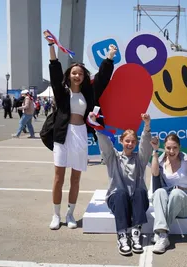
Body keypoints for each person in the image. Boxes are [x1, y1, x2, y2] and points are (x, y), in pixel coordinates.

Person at [44, 33, 116, 230]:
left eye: (81, 73)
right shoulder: (62, 92)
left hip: (80, 134)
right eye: (74, 73)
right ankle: (56, 215)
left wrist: (109, 57)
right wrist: (51, 46)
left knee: (75, 178)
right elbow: (54, 70)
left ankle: (70, 213)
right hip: (62, 136)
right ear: (69, 75)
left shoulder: (88, 94)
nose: (77, 75)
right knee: (58, 177)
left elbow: (102, 79)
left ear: (84, 77)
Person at [89, 112, 153, 256]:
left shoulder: (140, 159)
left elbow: (145, 146)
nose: (130, 144)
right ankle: (122, 235)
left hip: (137, 201)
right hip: (118, 200)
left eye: (133, 142)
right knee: (120, 193)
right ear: (121, 141)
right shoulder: (113, 157)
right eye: (127, 141)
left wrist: (147, 125)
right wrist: (95, 125)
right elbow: (105, 144)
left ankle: (136, 233)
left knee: (140, 191)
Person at [150, 131, 187, 254]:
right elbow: (154, 174)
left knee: (176, 193)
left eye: (175, 148)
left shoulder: (186, 160)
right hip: (170, 203)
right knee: (158, 192)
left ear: (179, 147)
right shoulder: (161, 161)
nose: (172, 151)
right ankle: (163, 236)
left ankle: (160, 233)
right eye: (168, 148)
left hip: (185, 204)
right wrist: (155, 151)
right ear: (164, 147)